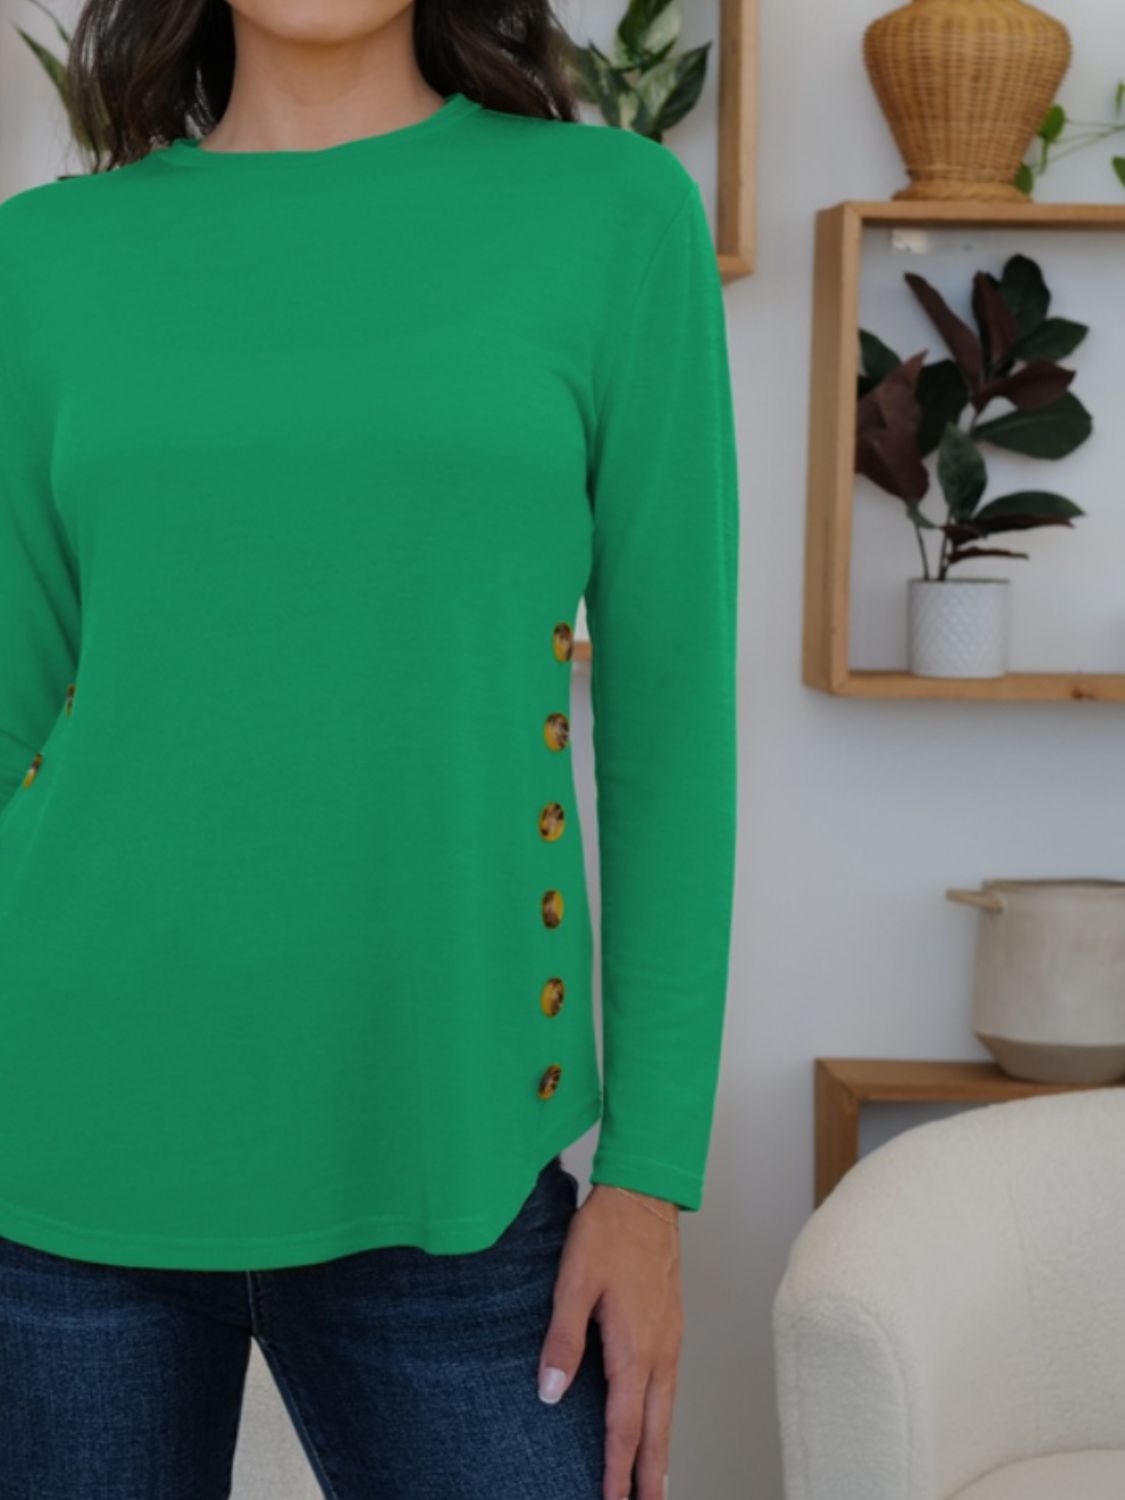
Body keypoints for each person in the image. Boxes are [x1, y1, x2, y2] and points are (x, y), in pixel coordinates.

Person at [0, 1, 740, 1496]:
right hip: (63, 1147)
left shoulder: (611, 215)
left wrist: (649, 1179)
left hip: (451, 1152)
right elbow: (17, 715)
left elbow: (673, 725)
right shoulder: (41, 261)